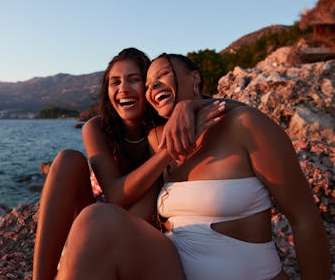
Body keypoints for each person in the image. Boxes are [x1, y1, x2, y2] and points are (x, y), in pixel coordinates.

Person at [57, 53, 330, 280]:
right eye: (149, 84)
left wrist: (193, 105)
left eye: (162, 75)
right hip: (174, 271)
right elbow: (136, 216)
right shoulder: (157, 140)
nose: (153, 88)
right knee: (96, 220)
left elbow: (305, 220)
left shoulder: (246, 126)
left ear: (195, 78)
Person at [33, 48, 227, 279]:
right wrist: (168, 152)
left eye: (134, 80)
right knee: (68, 160)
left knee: (153, 183)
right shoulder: (96, 128)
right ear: (107, 91)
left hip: (144, 229)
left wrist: (188, 106)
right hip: (97, 220)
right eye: (115, 82)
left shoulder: (163, 127)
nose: (123, 89)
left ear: (148, 87)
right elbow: (115, 196)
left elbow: (226, 106)